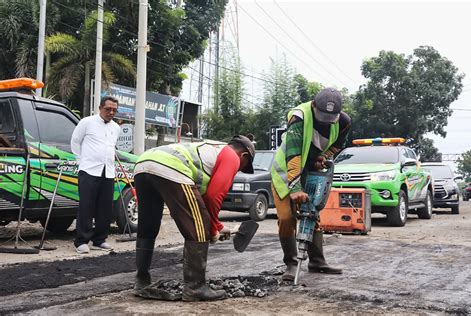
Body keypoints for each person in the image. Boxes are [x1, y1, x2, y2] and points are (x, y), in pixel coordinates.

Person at [133, 135, 255, 301]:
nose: (238, 171)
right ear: (244, 156)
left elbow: (201, 203)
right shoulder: (232, 156)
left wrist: (218, 227)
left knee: (148, 225)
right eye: (243, 167)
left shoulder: (212, 150)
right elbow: (213, 197)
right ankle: (195, 288)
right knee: (199, 228)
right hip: (170, 167)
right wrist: (211, 230)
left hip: (144, 163)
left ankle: (141, 281)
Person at [270, 87, 351, 281]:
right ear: (314, 105)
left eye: (331, 116)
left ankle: (317, 261)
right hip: (286, 171)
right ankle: (291, 263)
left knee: (311, 214)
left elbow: (339, 144)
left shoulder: (344, 121)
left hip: (310, 171)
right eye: (323, 115)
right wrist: (295, 188)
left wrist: (322, 157)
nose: (326, 120)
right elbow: (294, 153)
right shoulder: (299, 117)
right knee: (288, 218)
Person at [71, 96, 120, 254]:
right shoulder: (87, 122)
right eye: (108, 109)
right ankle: (81, 241)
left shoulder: (116, 128)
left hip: (108, 171)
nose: (111, 112)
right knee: (86, 206)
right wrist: (81, 162)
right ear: (100, 108)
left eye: (114, 110)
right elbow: (75, 142)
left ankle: (99, 239)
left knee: (105, 208)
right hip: (89, 170)